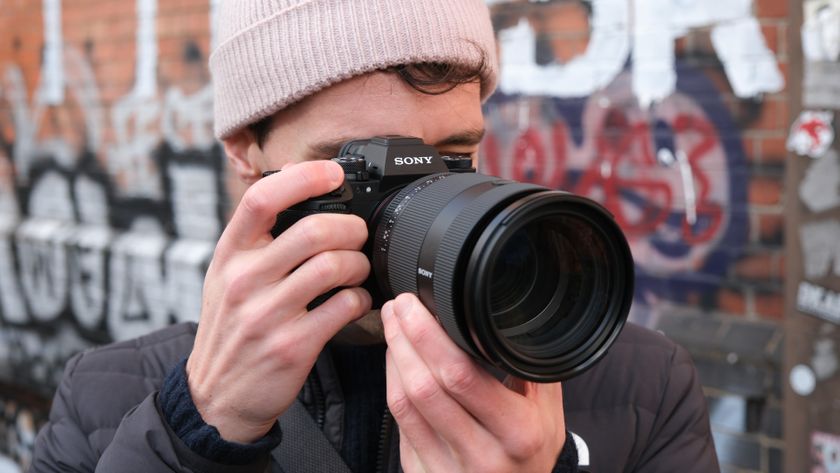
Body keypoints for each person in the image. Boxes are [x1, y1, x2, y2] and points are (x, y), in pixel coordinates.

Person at [30, 0, 720, 472]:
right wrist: (194, 430)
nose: (413, 202)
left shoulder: (639, 382)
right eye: (360, 169)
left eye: (452, 158)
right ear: (246, 152)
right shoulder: (107, 398)